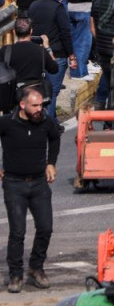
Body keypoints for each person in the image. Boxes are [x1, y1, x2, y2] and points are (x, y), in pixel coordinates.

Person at [0, 85, 59, 292]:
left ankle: (36, 267)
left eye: (41, 105)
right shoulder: (7, 123)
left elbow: (55, 137)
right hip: (14, 184)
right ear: (22, 105)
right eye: (35, 105)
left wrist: (51, 162)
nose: (39, 109)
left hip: (39, 184)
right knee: (17, 232)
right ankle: (16, 274)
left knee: (45, 227)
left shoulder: (45, 122)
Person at [27, 0, 73, 115]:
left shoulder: (33, 5)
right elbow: (65, 32)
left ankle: (50, 122)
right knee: (52, 92)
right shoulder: (57, 8)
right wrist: (71, 54)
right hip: (55, 54)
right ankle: (49, 124)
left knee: (41, 91)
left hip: (35, 53)